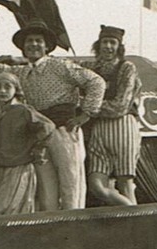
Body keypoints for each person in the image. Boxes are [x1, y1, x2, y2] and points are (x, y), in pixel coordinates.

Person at [6, 22, 105, 211]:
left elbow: (96, 82)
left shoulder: (60, 65)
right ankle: (52, 231)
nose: (33, 45)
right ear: (23, 47)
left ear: (46, 46)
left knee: (71, 183)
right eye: (29, 41)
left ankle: (73, 230)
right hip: (40, 135)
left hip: (63, 130)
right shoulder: (22, 71)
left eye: (38, 41)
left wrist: (85, 114)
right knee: (46, 188)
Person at [0, 66, 56, 216]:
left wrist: (38, 147)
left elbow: (48, 127)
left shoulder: (23, 110)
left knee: (4, 210)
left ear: (16, 89)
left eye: (7, 87)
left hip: (17, 167)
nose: (2, 91)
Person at [82, 25, 141, 206]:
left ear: (119, 47)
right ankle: (130, 211)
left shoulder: (126, 68)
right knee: (96, 186)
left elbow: (120, 106)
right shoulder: (90, 68)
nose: (108, 46)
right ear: (98, 45)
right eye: (105, 42)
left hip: (123, 126)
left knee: (125, 183)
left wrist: (87, 104)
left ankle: (137, 224)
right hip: (99, 129)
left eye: (112, 43)